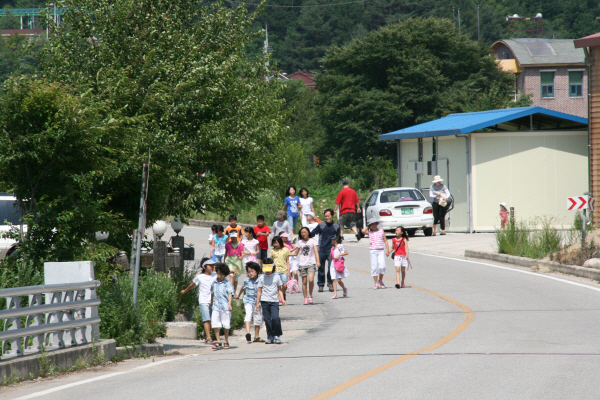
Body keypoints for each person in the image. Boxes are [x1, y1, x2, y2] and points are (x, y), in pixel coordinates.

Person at [179, 258, 217, 343]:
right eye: (210, 265)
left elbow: (223, 276)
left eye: (213, 265)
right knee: (206, 319)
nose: (212, 267)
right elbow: (192, 285)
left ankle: (206, 333)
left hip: (213, 301)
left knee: (211, 319)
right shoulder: (200, 277)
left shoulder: (215, 276)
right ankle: (208, 337)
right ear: (204, 267)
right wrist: (185, 291)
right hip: (203, 301)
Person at [310, 209, 340, 292]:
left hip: (332, 250)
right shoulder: (321, 225)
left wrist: (338, 248)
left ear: (332, 215)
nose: (326, 217)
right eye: (325, 216)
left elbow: (339, 238)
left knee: (331, 267)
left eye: (328, 216)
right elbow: (313, 233)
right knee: (321, 268)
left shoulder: (336, 226)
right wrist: (305, 236)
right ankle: (321, 284)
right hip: (322, 249)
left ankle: (330, 283)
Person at [256, 258, 286, 344]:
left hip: (274, 301)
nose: (268, 272)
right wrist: (257, 303)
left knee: (275, 318)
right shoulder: (261, 277)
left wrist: (282, 299)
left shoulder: (276, 277)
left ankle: (277, 335)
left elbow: (279, 289)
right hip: (264, 301)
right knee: (267, 319)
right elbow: (259, 290)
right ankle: (270, 337)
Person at [235, 262, 264, 343]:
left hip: (257, 301)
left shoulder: (260, 280)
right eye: (248, 272)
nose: (250, 273)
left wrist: (258, 303)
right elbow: (242, 288)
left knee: (257, 318)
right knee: (248, 315)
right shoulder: (247, 280)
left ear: (257, 271)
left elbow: (260, 291)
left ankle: (257, 336)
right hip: (248, 300)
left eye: (252, 271)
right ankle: (248, 333)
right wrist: (238, 295)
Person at [210, 263, 234, 350]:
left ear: (225, 275)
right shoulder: (214, 282)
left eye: (222, 275)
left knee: (226, 323)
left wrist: (229, 304)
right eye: (218, 274)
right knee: (215, 323)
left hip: (225, 306)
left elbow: (230, 293)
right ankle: (218, 341)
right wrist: (211, 302)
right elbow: (212, 293)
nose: (219, 276)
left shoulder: (227, 283)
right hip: (216, 306)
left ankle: (226, 341)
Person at [361, 218, 390, 289]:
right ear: (370, 225)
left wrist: (387, 250)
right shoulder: (370, 232)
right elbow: (362, 231)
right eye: (372, 224)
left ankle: (380, 280)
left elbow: (385, 240)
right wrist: (368, 226)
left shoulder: (381, 231)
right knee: (374, 267)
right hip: (373, 251)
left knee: (382, 266)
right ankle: (376, 282)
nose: (374, 226)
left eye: (375, 224)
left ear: (377, 224)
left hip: (380, 251)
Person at [294, 227, 320, 304]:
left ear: (308, 232)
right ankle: (305, 298)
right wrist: (286, 254)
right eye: (302, 232)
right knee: (304, 282)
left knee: (311, 280)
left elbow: (316, 252)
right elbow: (295, 253)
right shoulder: (299, 242)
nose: (303, 234)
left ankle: (310, 295)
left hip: (311, 263)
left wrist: (318, 261)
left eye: (305, 232)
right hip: (302, 263)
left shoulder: (313, 241)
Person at [270, 236, 290, 303]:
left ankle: (283, 294)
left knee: (285, 285)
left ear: (280, 242)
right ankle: (280, 299)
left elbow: (287, 261)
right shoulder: (273, 251)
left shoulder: (286, 250)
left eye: (277, 242)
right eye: (274, 243)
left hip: (284, 270)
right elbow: (272, 261)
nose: (275, 244)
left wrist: (288, 270)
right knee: (278, 286)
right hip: (276, 270)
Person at [329, 235, 349, 299]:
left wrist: (339, 255)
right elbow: (330, 258)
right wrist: (331, 251)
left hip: (339, 264)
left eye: (332, 239)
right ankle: (335, 294)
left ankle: (344, 288)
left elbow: (346, 253)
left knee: (339, 280)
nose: (331, 241)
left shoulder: (339, 246)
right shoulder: (332, 248)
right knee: (334, 279)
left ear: (335, 240)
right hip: (333, 264)